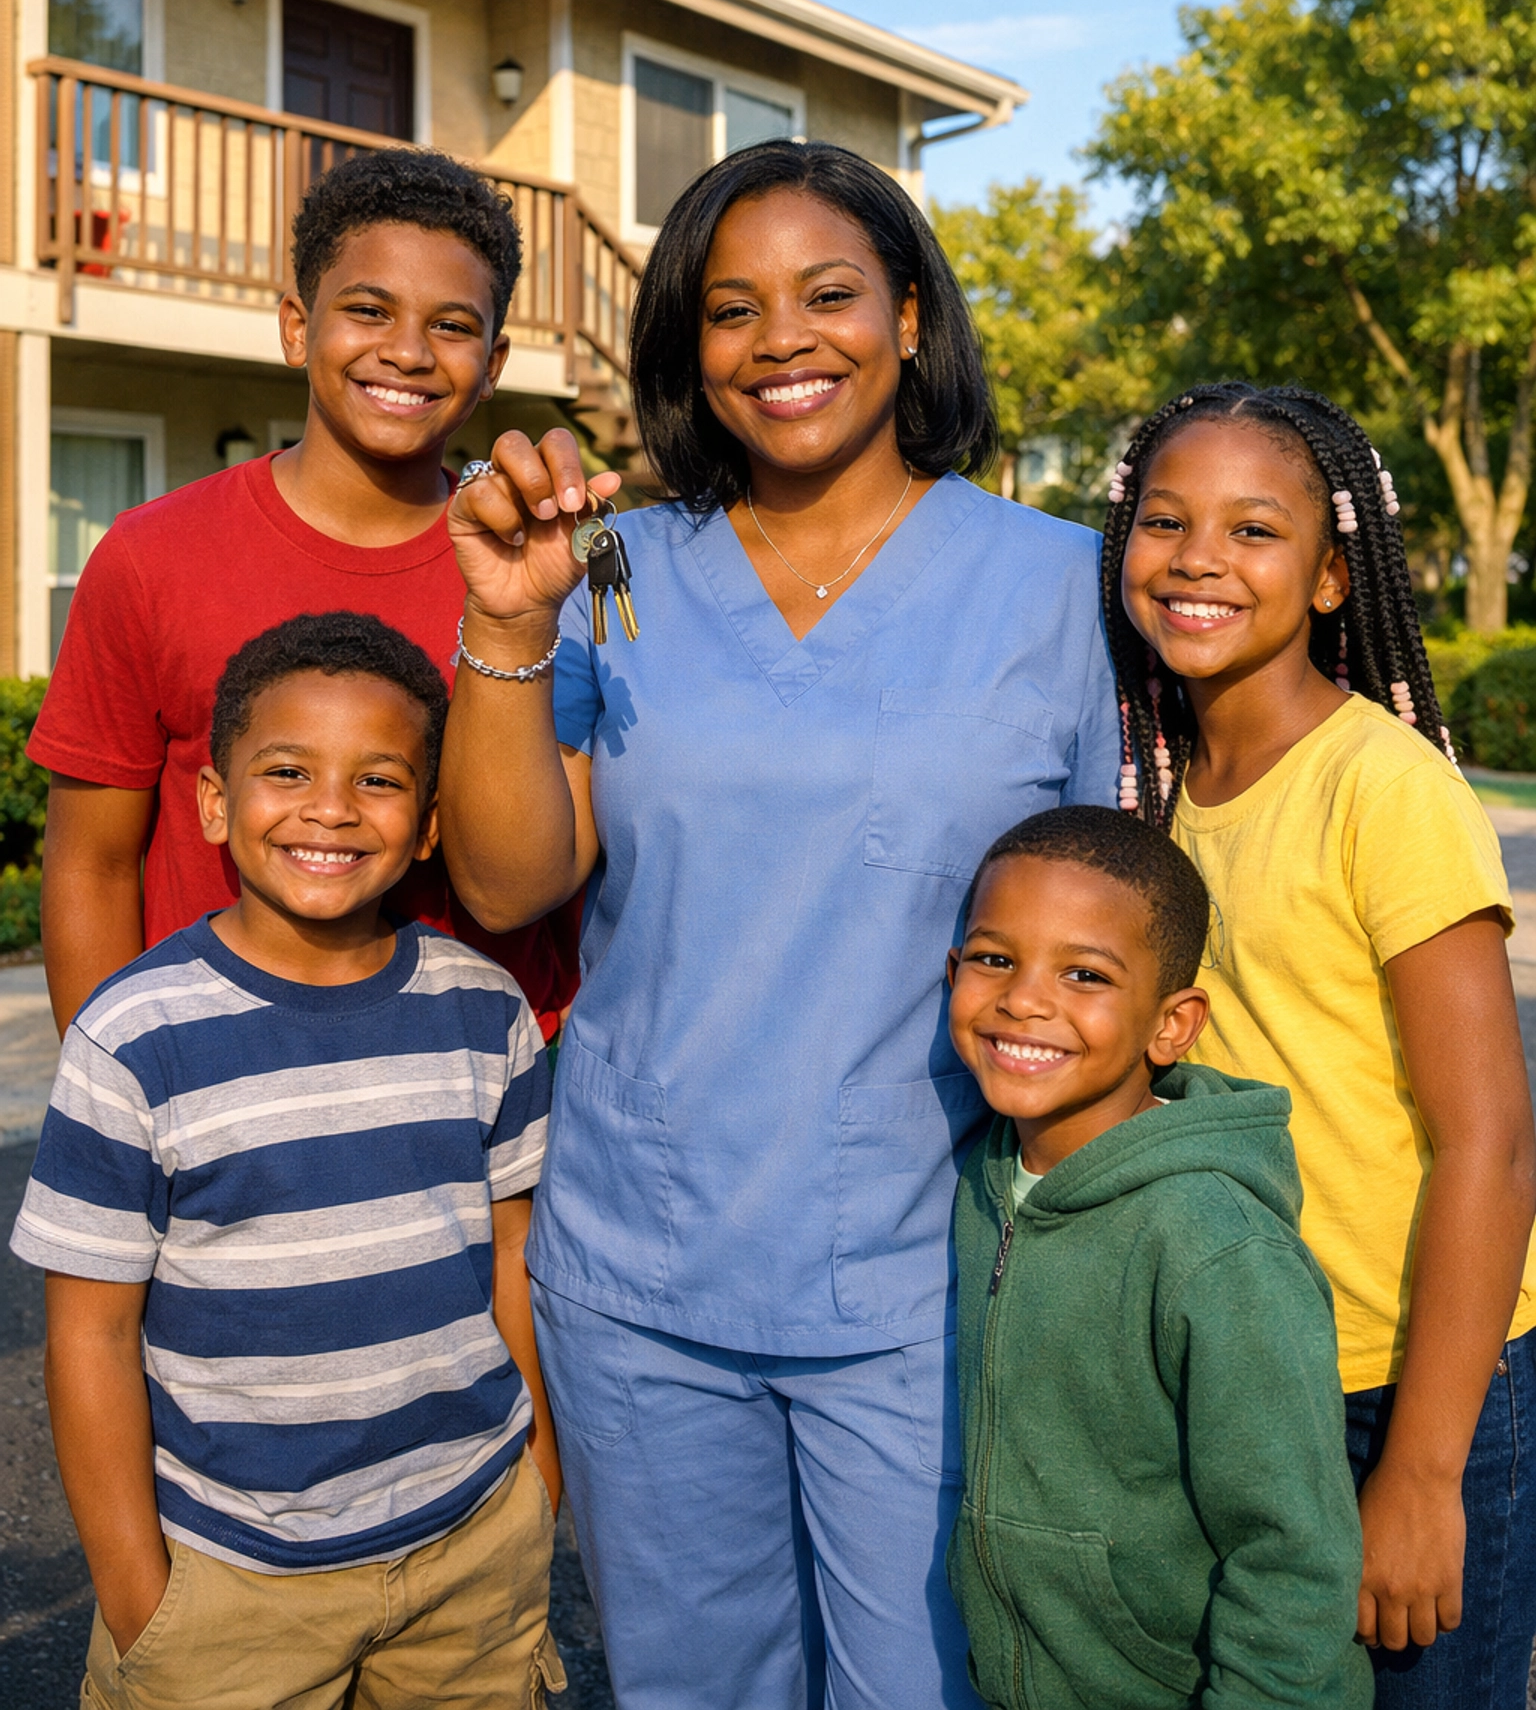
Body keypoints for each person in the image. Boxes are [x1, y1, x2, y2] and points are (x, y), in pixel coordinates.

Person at [436, 138, 1120, 1710]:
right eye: (731, 309)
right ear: (687, 350)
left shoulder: (1063, 589)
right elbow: (508, 883)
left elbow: (1120, 940)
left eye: (828, 295)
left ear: (911, 326)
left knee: (926, 1687)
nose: (782, 339)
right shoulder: (616, 573)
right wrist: (503, 620)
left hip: (929, 1279)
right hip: (643, 1264)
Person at [10, 611, 565, 1710]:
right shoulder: (133, 1037)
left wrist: (537, 1483)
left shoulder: (482, 1009)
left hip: (470, 1548)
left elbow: (516, 1258)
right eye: (286, 771)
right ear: (216, 802)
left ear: (429, 826)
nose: (329, 809)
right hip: (228, 1583)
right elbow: (88, 1330)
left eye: (379, 781)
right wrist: (139, 1600)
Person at [1105, 381, 1536, 1708]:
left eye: (1254, 531)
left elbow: (1492, 1139)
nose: (1198, 561)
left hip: (1414, 1382)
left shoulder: (1384, 786)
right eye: (1165, 521)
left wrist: (1419, 1470)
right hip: (1245, 1374)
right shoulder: (1154, 798)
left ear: (1334, 575)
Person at [30, 148, 599, 1039]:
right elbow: (91, 866)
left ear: (494, 363)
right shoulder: (151, 556)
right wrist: (113, 1101)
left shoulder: (543, 572)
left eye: (452, 326)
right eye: (368, 310)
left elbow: (522, 891)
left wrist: (520, 618)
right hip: (219, 1096)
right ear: (297, 327)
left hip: (470, 1105)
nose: (406, 351)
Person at [946, 803, 1371, 1710]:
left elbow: (1293, 1551)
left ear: (1173, 1026)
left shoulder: (1215, 1244)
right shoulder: (983, 1176)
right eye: (994, 959)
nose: (1024, 998)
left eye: (1085, 974)